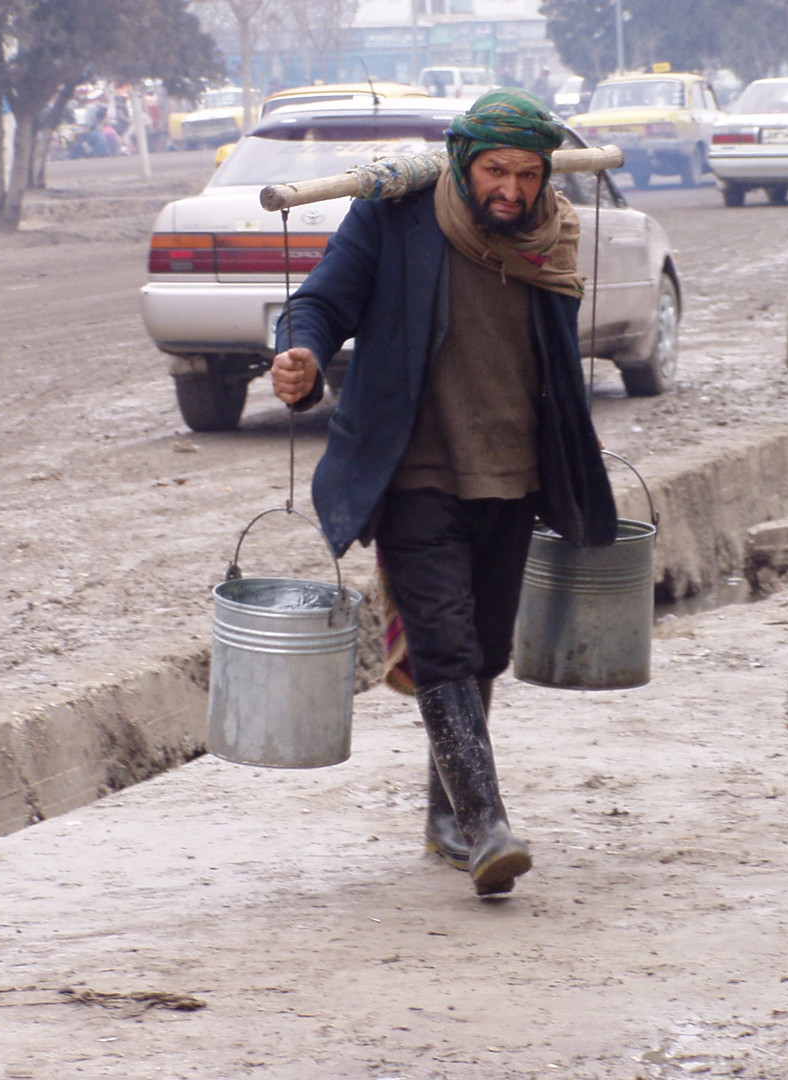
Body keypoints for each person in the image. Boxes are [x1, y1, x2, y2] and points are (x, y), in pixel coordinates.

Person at [270, 89, 616, 897]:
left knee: (486, 648)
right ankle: (485, 822)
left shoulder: (550, 234)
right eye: (496, 170)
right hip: (416, 471)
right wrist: (302, 357)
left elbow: (559, 364)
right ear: (463, 164)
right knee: (445, 647)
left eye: (528, 173)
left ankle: (443, 814)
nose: (512, 190)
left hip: (513, 473)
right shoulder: (397, 219)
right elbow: (321, 301)